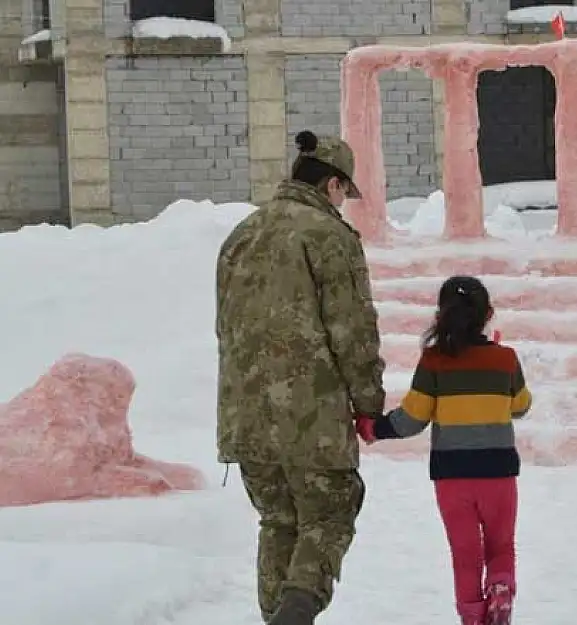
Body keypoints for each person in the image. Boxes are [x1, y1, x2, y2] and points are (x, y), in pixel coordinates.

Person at [215, 130, 387, 625]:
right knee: (329, 514)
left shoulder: (241, 234)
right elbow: (352, 330)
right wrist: (368, 404)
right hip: (311, 417)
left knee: (278, 522)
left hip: (244, 418)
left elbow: (224, 328)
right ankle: (295, 615)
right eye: (344, 192)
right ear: (333, 184)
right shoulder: (328, 236)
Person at [359, 275, 533, 625]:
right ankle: (500, 590)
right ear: (488, 314)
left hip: (452, 478)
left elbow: (412, 419)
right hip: (498, 473)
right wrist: (497, 367)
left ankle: (472, 617)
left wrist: (374, 428)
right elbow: (520, 406)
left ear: (442, 315)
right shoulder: (506, 360)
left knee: (465, 554)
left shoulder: (434, 362)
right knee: (501, 545)